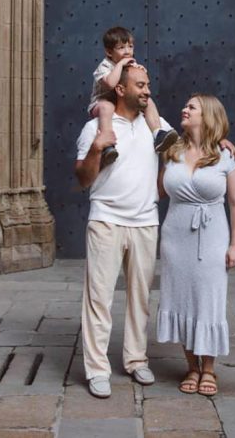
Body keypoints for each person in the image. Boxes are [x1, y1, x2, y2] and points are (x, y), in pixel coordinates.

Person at [75, 63, 170, 398]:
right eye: (141, 86)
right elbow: (83, 180)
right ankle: (98, 370)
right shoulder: (95, 127)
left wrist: (224, 141)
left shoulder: (156, 125)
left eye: (147, 85)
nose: (147, 91)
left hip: (145, 223)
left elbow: (185, 153)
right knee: (98, 298)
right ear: (121, 89)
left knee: (140, 299)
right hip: (106, 221)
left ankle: (135, 359)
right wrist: (98, 148)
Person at [156, 94, 235, 397]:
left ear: (207, 116)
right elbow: (156, 191)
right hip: (175, 238)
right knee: (182, 300)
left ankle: (209, 368)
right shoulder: (173, 152)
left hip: (212, 237)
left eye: (191, 107)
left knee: (208, 301)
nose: (184, 109)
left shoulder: (227, 156)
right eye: (185, 105)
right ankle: (191, 367)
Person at [89, 26, 178, 168]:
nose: (127, 51)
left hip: (121, 103)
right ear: (108, 52)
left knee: (148, 101)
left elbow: (137, 79)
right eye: (121, 47)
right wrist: (122, 64)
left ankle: (158, 134)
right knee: (107, 107)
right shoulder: (104, 67)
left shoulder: (131, 64)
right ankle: (108, 145)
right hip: (101, 104)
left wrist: (139, 71)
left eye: (130, 46)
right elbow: (111, 83)